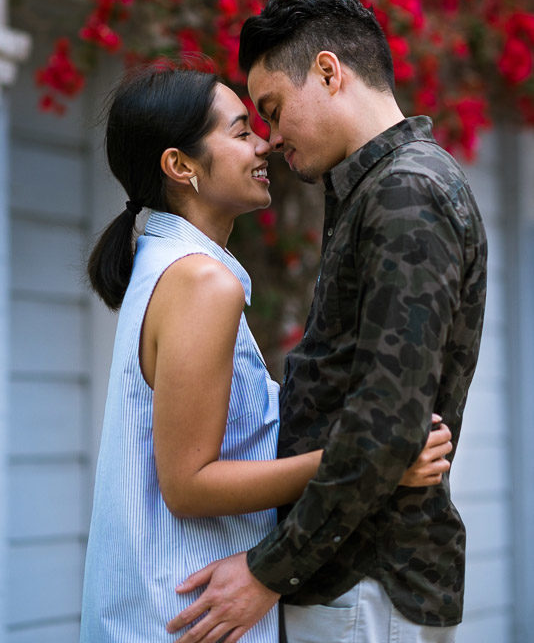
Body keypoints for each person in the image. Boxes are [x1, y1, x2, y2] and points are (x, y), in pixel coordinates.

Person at [80, 64, 449, 643]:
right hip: (187, 615)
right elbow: (188, 485)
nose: (264, 144)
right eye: (239, 132)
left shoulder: (168, 266)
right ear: (180, 166)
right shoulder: (203, 284)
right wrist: (375, 463)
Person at [166, 0, 488, 643]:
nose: (271, 136)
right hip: (353, 585)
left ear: (329, 71)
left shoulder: (406, 194)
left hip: (369, 584)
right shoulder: (377, 188)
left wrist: (265, 573)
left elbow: (385, 427)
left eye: (274, 110)